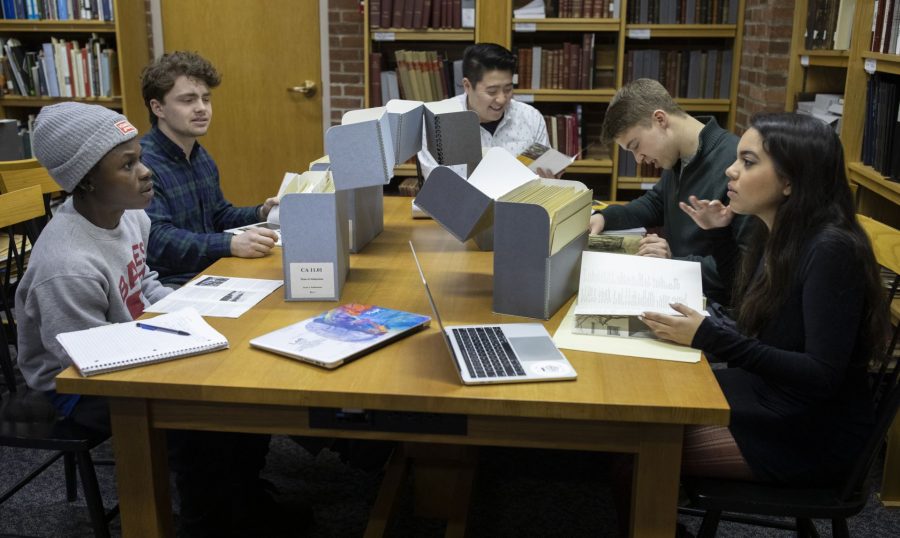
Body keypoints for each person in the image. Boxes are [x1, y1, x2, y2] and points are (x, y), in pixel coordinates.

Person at [15, 103, 305, 537]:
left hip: (132, 341)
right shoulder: (68, 265)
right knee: (201, 422)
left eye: (141, 158)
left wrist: (189, 318)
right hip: (75, 382)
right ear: (87, 179)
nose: (146, 171)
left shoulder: (130, 214)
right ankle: (208, 523)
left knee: (242, 392)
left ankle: (242, 499)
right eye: (128, 164)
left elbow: (145, 281)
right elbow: (85, 360)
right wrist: (179, 351)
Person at [641, 113, 887, 486]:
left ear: (789, 180)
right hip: (771, 391)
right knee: (647, 409)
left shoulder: (831, 249)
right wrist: (720, 236)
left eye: (748, 162)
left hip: (810, 429)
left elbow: (820, 375)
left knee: (640, 453)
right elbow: (755, 311)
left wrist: (708, 337)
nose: (730, 172)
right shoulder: (782, 231)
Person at [591, 78, 752, 305]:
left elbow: (743, 270)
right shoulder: (679, 156)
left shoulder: (734, 167)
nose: (638, 159)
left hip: (713, 308)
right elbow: (656, 203)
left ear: (660, 119)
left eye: (635, 146)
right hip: (677, 290)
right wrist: (603, 217)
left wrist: (673, 263)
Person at [140, 51, 279, 286]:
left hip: (211, 270)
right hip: (171, 282)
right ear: (158, 108)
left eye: (206, 99)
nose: (201, 108)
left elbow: (218, 215)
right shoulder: (143, 164)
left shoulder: (200, 155)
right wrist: (229, 244)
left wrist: (261, 214)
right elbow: (157, 240)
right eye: (188, 100)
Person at [417, 42, 555, 179]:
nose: (501, 99)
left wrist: (549, 179)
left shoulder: (530, 117)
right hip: (462, 201)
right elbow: (439, 187)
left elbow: (541, 175)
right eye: (492, 91)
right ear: (467, 86)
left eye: (508, 89)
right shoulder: (437, 123)